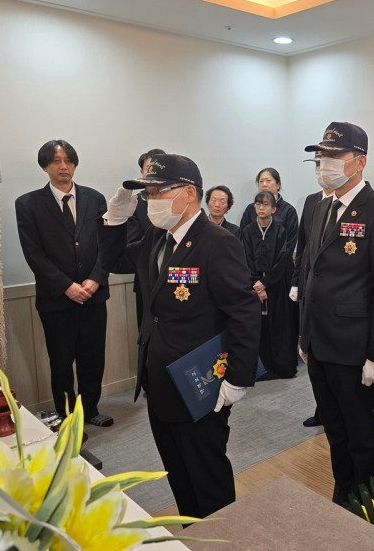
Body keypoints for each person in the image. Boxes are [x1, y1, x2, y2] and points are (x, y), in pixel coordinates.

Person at [98, 154, 260, 518]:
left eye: (158, 192)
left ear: (189, 192)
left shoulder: (217, 242)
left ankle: (223, 538)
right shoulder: (157, 237)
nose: (151, 200)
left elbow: (244, 312)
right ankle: (194, 534)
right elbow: (114, 261)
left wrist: (237, 378)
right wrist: (115, 219)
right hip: (159, 379)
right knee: (179, 472)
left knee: (207, 475)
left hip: (199, 382)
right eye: (148, 194)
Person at [299, 121, 374, 504]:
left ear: (359, 162)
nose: (324, 162)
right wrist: (304, 336)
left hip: (354, 346)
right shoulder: (319, 206)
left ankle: (367, 502)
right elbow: (310, 271)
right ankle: (343, 491)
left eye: (333, 155)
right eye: (321, 156)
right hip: (319, 342)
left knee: (360, 432)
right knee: (334, 428)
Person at [15, 139, 113, 427]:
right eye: (56, 161)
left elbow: (107, 245)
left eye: (68, 160)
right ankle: (68, 419)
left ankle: (90, 410)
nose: (63, 166)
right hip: (57, 299)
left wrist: (96, 278)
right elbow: (34, 253)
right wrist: (66, 286)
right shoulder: (28, 204)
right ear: (45, 166)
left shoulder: (95, 199)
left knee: (92, 358)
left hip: (93, 296)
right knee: (61, 362)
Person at [291, 155, 334, 428]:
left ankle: (331, 412)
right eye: (317, 166)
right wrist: (296, 281)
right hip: (308, 286)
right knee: (312, 354)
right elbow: (303, 244)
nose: (320, 171)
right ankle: (321, 410)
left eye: (323, 164)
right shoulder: (311, 201)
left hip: (333, 295)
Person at [242, 191, 297, 379]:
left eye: (265, 204)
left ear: (274, 209)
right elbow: (246, 258)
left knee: (278, 326)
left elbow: (283, 259)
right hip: (254, 287)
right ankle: (259, 370)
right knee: (257, 328)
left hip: (277, 285)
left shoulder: (281, 231)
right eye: (258, 204)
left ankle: (279, 368)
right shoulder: (247, 231)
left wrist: (265, 283)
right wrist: (255, 284)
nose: (261, 208)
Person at [127, 148, 166, 329]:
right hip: (146, 282)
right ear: (142, 173)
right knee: (147, 335)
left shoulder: (180, 201)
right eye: (148, 169)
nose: (153, 173)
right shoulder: (133, 204)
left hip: (179, 280)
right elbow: (131, 246)